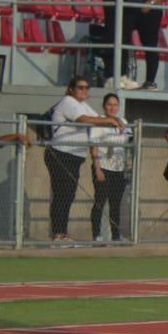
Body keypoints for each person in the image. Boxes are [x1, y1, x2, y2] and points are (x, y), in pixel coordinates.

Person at [44, 76, 121, 242]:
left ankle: (62, 233)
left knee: (68, 195)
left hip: (74, 157)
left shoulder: (82, 105)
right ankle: (58, 234)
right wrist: (109, 120)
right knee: (62, 195)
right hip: (60, 153)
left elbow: (96, 119)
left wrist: (111, 120)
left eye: (87, 87)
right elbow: (84, 119)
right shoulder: (68, 101)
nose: (84, 90)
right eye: (80, 87)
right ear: (71, 89)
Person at [88, 93, 133, 242]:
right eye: (109, 104)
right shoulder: (99, 122)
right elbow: (94, 146)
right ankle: (97, 235)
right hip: (103, 168)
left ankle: (115, 236)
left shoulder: (124, 121)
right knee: (100, 202)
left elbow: (129, 142)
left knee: (115, 204)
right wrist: (97, 169)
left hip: (118, 169)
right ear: (104, 105)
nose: (112, 107)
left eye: (115, 105)